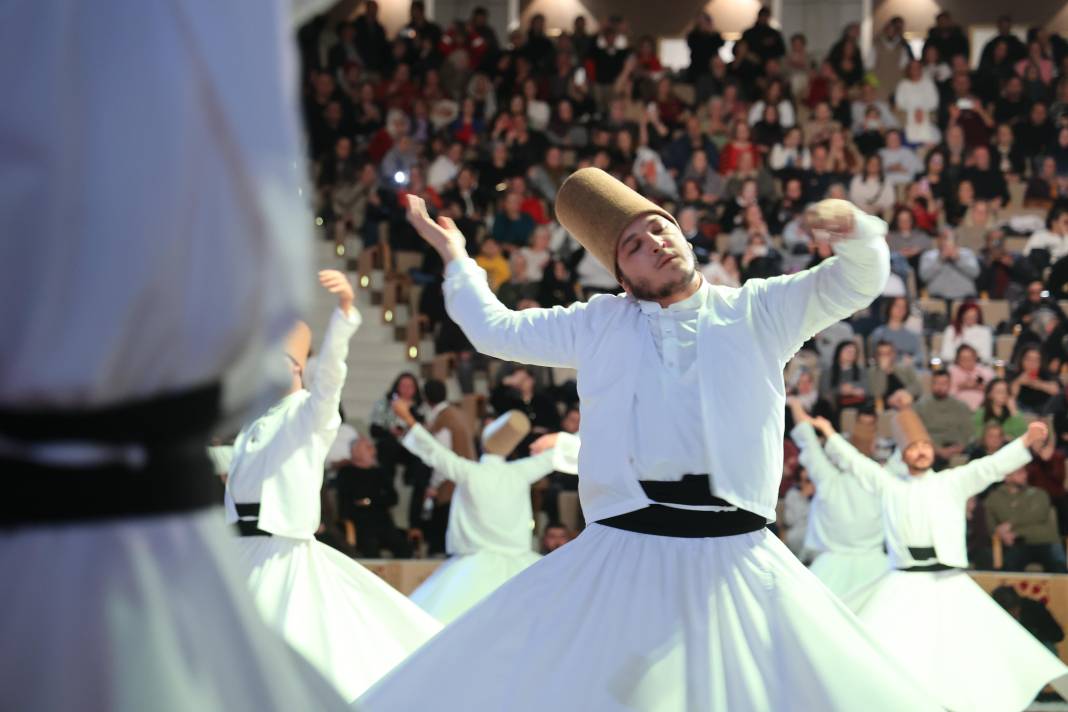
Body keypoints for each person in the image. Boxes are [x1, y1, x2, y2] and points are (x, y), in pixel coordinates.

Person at [357, 176, 942, 710]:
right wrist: (457, 257)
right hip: (624, 549)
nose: (655, 242)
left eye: (660, 228)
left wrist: (857, 233)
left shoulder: (757, 309)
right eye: (634, 244)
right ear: (621, 276)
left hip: (735, 550)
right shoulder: (597, 323)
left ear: (682, 233)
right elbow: (493, 330)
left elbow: (856, 281)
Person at [0, 4, 353, 710]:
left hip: (228, 541)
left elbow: (326, 392)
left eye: (292, 361)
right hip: (208, 535)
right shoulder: (253, 432)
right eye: (283, 360)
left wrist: (344, 322)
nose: (287, 369)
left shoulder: (301, 416)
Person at [225, 271, 440, 702]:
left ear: (295, 365)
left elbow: (330, 382)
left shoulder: (309, 414)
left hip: (281, 552)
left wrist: (343, 316)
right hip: (239, 552)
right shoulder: (253, 421)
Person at [825, 393, 1068, 710]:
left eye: (925, 445)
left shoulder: (952, 482)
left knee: (961, 651)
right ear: (903, 453)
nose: (921, 451)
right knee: (893, 647)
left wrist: (1024, 442)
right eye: (913, 447)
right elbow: (858, 464)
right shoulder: (890, 486)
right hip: (903, 582)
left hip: (948, 582)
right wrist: (829, 435)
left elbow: (991, 467)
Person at [396, 404, 565, 623]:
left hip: (473, 569)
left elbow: (433, 452)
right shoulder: (520, 472)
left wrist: (408, 419)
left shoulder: (470, 472)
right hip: (519, 565)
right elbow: (555, 456)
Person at [790, 402, 888, 599]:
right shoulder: (883, 480)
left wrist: (795, 404)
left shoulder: (830, 479)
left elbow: (807, 439)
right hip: (870, 567)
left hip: (833, 569)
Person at [335, 435, 411, 558]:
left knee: (403, 546)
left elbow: (393, 498)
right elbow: (345, 503)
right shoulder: (346, 473)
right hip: (359, 523)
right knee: (369, 545)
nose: (374, 451)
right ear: (356, 452)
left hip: (383, 521)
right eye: (368, 448)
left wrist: (369, 501)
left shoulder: (379, 473)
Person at [986, 466, 1068, 573]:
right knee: (1009, 567)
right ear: (1007, 477)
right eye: (1019, 472)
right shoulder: (994, 498)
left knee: (1059, 567)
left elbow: (1038, 515)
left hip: (1046, 541)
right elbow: (989, 523)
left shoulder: (1038, 494)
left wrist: (1011, 526)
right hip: (1018, 544)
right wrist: (1000, 533)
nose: (1024, 475)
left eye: (1025, 472)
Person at [914, 370, 973, 468]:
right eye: (937, 383)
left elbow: (968, 431)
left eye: (944, 383)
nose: (940, 387)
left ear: (950, 385)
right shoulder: (920, 407)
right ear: (931, 384)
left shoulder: (961, 406)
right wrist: (938, 450)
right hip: (932, 447)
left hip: (957, 446)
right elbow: (919, 432)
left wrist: (959, 447)